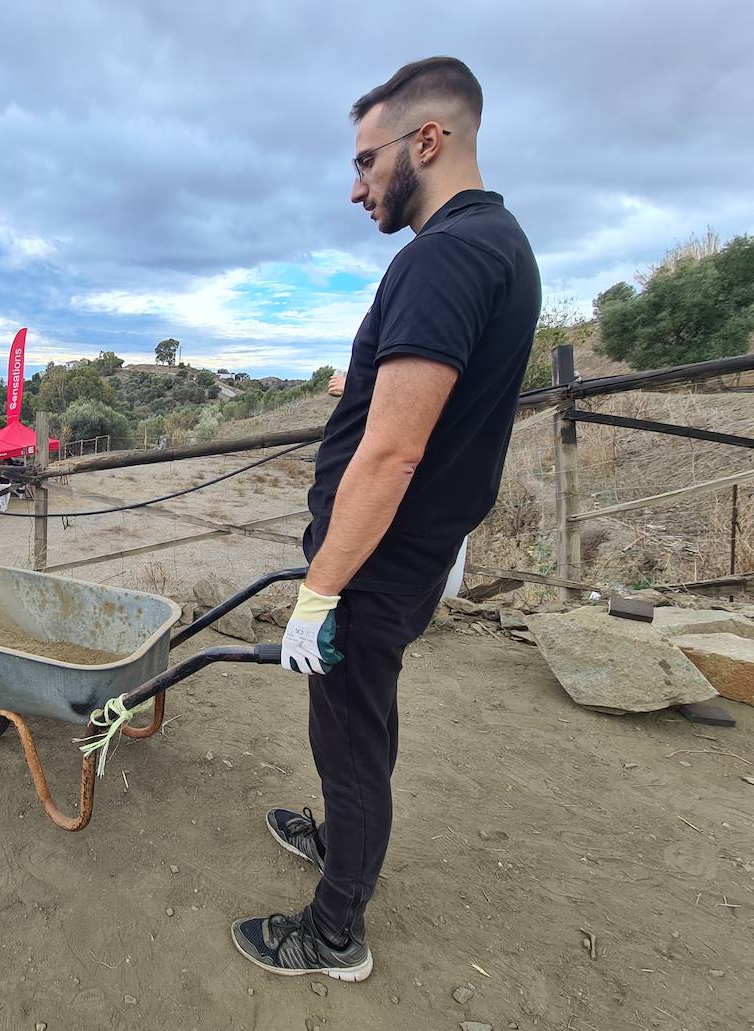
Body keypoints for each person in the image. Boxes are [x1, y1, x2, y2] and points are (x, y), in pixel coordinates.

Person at [231, 57, 541, 981]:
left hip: (376, 557)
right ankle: (340, 840)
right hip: (405, 550)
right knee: (363, 718)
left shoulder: (444, 256)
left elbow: (395, 451)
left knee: (349, 734)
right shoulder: (500, 244)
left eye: (368, 162)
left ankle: (334, 932)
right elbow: (419, 408)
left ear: (428, 141)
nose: (355, 185)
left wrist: (320, 590)